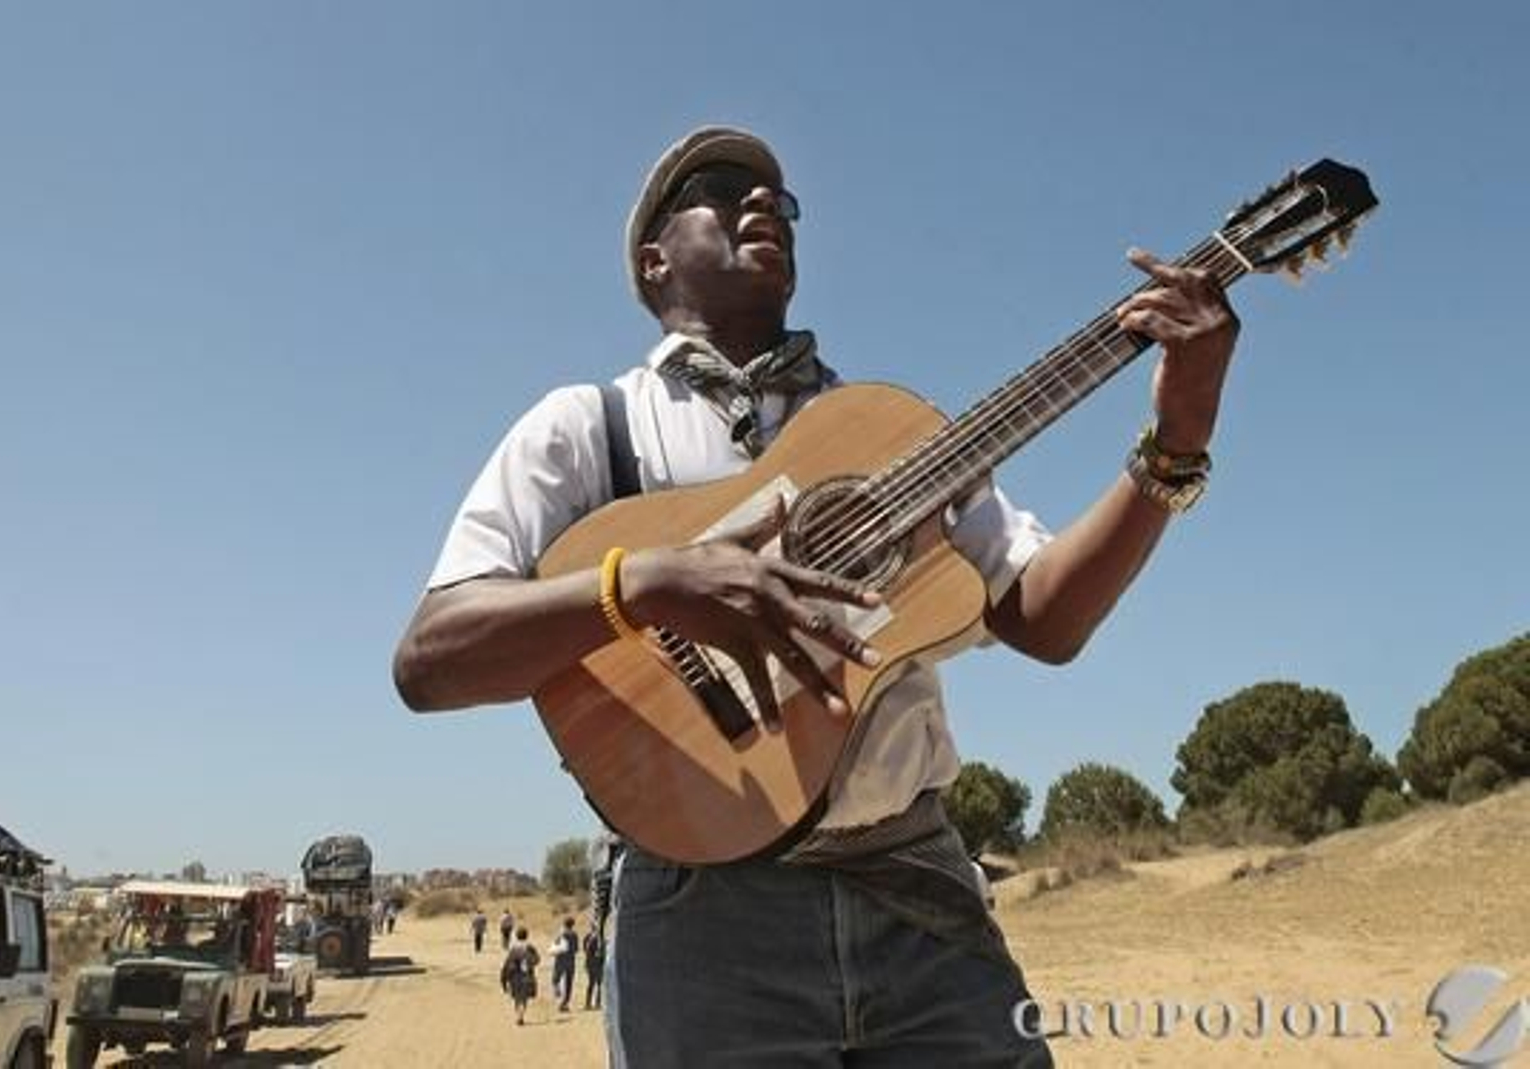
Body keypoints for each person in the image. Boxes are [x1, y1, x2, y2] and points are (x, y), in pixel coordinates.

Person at [394, 126, 1239, 1067]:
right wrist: (648, 583)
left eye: (782, 201)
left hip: (919, 895)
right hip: (699, 924)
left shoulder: (890, 433)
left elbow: (1045, 618)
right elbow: (432, 657)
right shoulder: (590, 428)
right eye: (722, 189)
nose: (766, 204)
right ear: (653, 258)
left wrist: (1177, 434)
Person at [499, 925, 540, 1026]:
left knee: (517, 997)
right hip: (528, 976)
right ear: (527, 936)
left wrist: (504, 979)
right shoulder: (530, 948)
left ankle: (519, 1015)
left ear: (517, 936)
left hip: (515, 977)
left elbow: (507, 965)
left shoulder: (514, 949)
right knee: (524, 997)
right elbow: (537, 960)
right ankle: (521, 1015)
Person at [550, 915, 579, 1012]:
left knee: (555, 979)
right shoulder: (574, 935)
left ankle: (557, 991)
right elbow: (576, 949)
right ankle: (564, 1003)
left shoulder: (561, 934)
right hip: (571, 961)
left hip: (560, 960)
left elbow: (555, 946)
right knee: (569, 983)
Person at [581, 924, 606, 1011]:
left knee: (592, 984)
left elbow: (585, 950)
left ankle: (588, 1003)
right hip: (599, 964)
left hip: (591, 964)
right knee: (599, 984)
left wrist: (587, 963)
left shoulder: (588, 937)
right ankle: (597, 1003)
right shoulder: (601, 939)